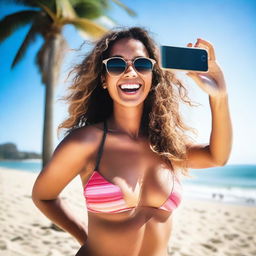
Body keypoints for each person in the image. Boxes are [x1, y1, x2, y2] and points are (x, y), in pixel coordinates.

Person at [32, 27, 232, 256]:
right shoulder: (86, 142)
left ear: (152, 77)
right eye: (117, 65)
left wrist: (219, 97)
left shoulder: (165, 145)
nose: (130, 72)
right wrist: (85, 237)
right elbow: (44, 196)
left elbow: (218, 156)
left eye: (142, 64)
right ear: (104, 79)